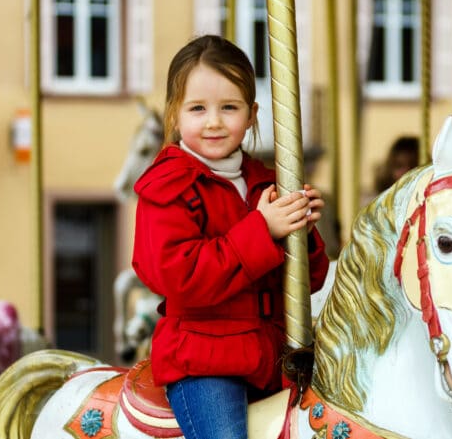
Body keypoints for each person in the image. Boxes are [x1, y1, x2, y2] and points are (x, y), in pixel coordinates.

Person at [131, 34, 329, 439]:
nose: (214, 121)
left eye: (229, 107)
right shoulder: (167, 186)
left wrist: (301, 235)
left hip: (273, 358)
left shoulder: (267, 183)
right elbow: (178, 276)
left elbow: (309, 283)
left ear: (252, 114)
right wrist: (263, 230)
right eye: (198, 108)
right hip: (205, 364)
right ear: (174, 114)